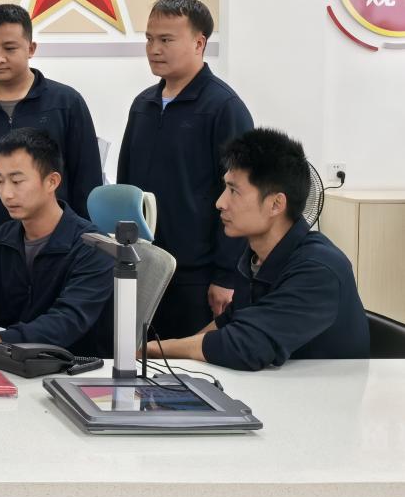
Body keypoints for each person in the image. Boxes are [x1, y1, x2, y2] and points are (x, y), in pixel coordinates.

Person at [146, 128, 369, 370]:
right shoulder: (256, 257)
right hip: (276, 384)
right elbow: (228, 324)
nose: (220, 203)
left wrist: (152, 351)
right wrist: (167, 356)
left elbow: (244, 346)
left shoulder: (319, 269)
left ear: (276, 204)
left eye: (234, 191)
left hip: (324, 391)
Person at [117, 0, 254, 338]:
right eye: (149, 39)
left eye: (166, 40)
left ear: (198, 43)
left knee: (186, 363)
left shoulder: (223, 107)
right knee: (138, 355)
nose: (154, 49)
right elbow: (126, 184)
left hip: (197, 276)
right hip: (143, 265)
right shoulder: (143, 105)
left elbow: (242, 196)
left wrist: (226, 275)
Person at [0, 4, 102, 285]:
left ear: (31, 48)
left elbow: (87, 179)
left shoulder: (66, 104)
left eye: (10, 48)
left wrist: (86, 248)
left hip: (55, 252)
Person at [0, 128, 113, 357]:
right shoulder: (0, 239)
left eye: (17, 181)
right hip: (12, 364)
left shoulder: (93, 247)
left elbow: (66, 321)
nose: (6, 193)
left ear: (52, 181)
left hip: (74, 367)